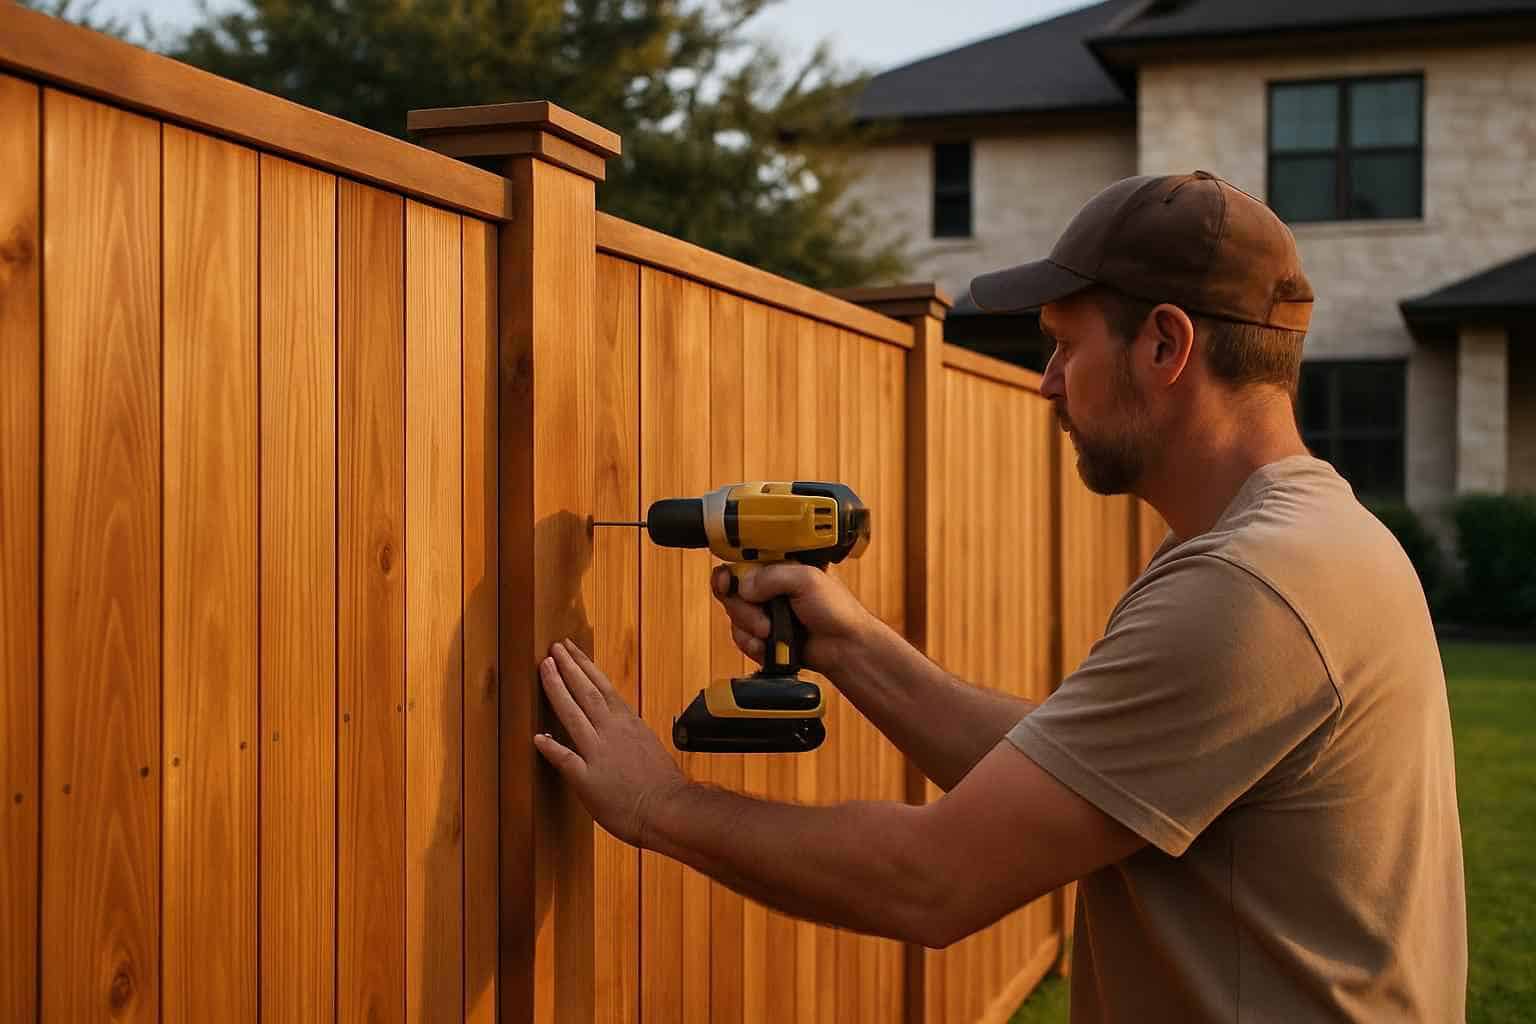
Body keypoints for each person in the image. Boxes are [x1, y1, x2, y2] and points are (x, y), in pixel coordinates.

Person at [533, 171, 1467, 1022]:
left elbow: (932, 882)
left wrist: (660, 805)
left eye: (1063, 345)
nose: (1048, 383)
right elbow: (1077, 777)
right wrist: (852, 647)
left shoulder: (1247, 589)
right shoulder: (1320, 537)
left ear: (1165, 343)